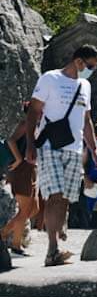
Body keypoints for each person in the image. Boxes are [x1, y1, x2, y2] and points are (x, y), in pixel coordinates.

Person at [21, 45, 97, 267]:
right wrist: (30, 145)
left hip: (74, 148)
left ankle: (55, 248)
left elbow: (86, 119)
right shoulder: (50, 79)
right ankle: (52, 249)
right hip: (50, 145)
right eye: (91, 66)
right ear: (78, 61)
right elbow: (34, 111)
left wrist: (93, 149)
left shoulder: (85, 85)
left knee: (65, 199)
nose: (92, 70)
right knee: (54, 195)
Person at [1, 103, 39, 255]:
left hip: (31, 169)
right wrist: (18, 159)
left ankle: (4, 233)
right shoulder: (25, 124)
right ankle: (15, 244)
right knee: (24, 210)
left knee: (34, 208)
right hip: (21, 169)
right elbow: (10, 140)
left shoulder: (37, 126)